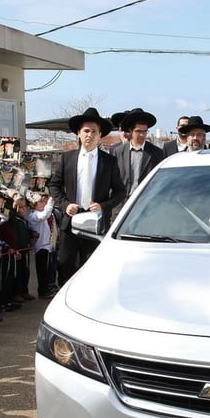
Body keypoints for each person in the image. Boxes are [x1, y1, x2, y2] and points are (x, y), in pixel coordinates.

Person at [47, 107, 127, 286]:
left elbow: (120, 191)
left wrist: (103, 205)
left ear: (100, 135)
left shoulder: (109, 161)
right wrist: (65, 204)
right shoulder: (67, 158)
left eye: (94, 131)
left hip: (95, 221)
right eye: (86, 131)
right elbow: (53, 185)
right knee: (64, 262)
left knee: (91, 264)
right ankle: (66, 293)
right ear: (78, 133)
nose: (90, 135)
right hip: (71, 218)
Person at [111, 108, 165, 192]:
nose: (142, 135)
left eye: (145, 131)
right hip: (122, 202)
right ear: (130, 131)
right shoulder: (118, 152)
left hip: (145, 201)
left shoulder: (156, 152)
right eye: (138, 131)